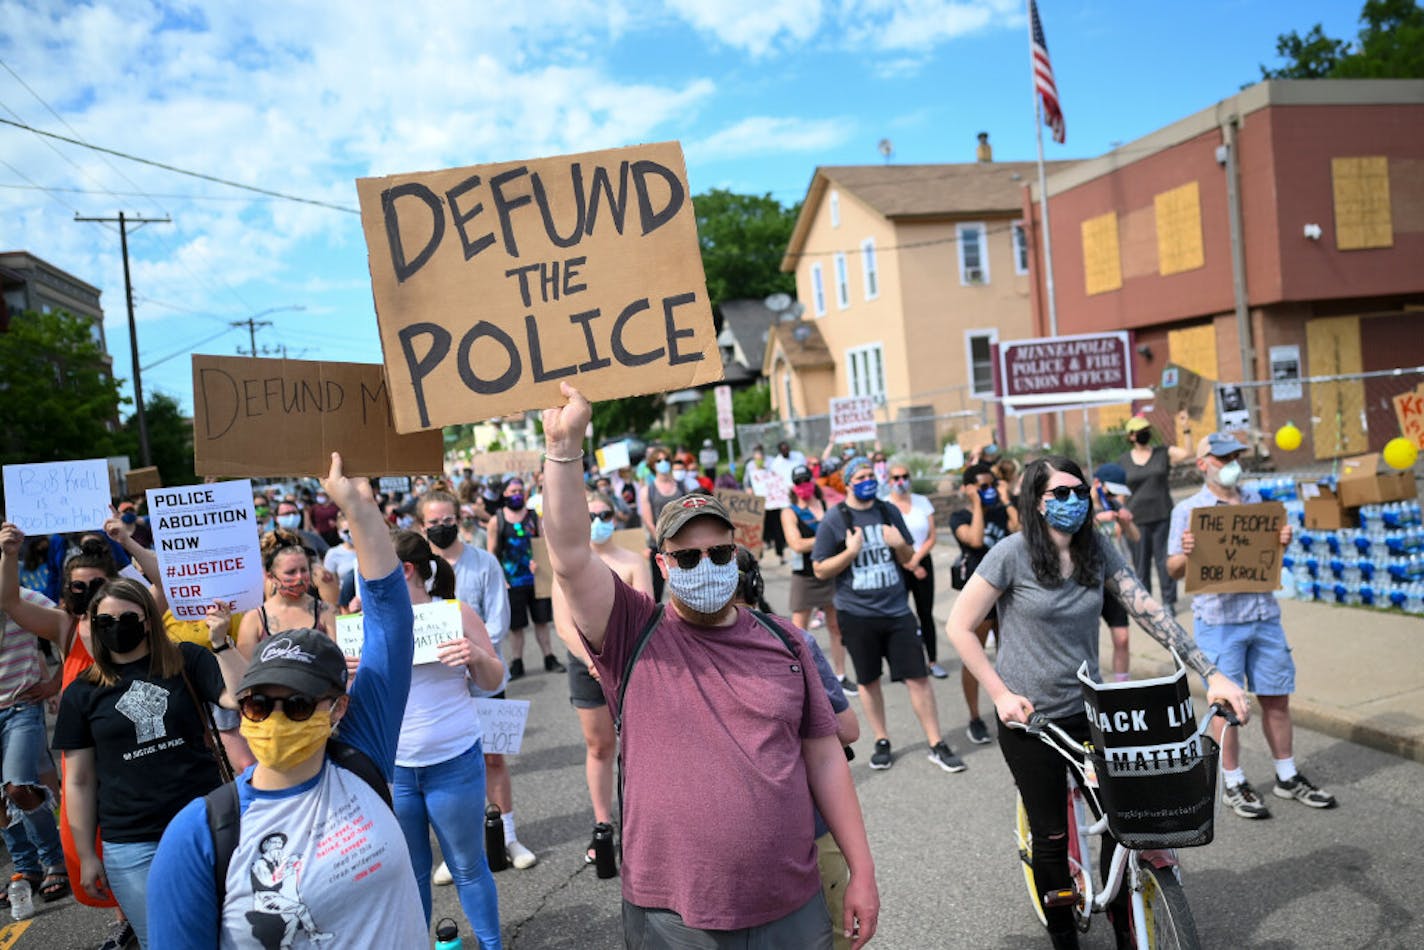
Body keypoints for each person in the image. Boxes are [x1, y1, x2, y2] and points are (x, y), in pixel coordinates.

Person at [542, 383, 879, 949]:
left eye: (719, 553)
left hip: (790, 903)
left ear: (737, 555)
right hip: (674, 916)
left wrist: (861, 872)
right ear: (662, 564)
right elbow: (572, 556)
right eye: (687, 556)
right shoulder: (632, 634)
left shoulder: (787, 642)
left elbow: (825, 758)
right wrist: (564, 448)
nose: (706, 564)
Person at [946, 455, 1248, 950]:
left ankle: (1124, 922)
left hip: (1091, 710)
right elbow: (959, 627)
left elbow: (1149, 610)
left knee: (1127, 818)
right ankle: (1064, 936)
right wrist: (1000, 695)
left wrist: (1212, 674)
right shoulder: (1010, 553)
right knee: (1050, 837)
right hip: (1030, 717)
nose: (1072, 502)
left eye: (1079, 492)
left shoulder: (1096, 551)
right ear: (1036, 502)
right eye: (1058, 494)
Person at [147, 452, 428, 949]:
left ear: (336, 709)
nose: (275, 718)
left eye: (297, 706)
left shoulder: (364, 756)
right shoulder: (198, 836)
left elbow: (392, 623)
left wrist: (359, 510)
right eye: (258, 705)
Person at [51, 575, 248, 949]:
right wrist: (87, 856)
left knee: (233, 935)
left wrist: (221, 643)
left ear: (147, 621)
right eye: (105, 622)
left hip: (205, 825)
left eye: (127, 619)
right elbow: (78, 781)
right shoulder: (82, 693)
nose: (116, 629)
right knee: (166, 942)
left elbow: (238, 698)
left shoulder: (186, 659)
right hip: (133, 844)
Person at [1168, 433, 1337, 818]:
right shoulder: (1190, 511)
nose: (1231, 463)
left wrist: (1283, 541)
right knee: (1227, 706)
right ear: (1203, 464)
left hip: (1263, 617)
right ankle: (1233, 782)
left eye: (1235, 456)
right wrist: (1188, 554)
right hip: (1218, 621)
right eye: (1222, 456)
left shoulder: (1257, 504)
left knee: (1277, 698)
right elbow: (1173, 568)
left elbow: (1267, 556)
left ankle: (1287, 774)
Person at [732, 548, 862, 950]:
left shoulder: (682, 652)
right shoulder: (792, 638)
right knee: (834, 936)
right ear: (756, 584)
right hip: (808, 828)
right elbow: (847, 729)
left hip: (735, 843)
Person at [813, 457, 965, 774]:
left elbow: (909, 557)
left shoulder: (887, 511)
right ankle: (882, 740)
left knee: (919, 678)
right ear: (850, 481)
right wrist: (850, 553)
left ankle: (936, 743)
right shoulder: (834, 519)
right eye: (863, 475)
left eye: (872, 474)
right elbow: (820, 568)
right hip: (856, 613)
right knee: (868, 681)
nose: (870, 479)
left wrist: (900, 545)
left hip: (896, 610)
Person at [390, 530, 505, 945]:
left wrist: (475, 656)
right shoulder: (369, 620)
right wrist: (349, 675)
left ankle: (492, 944)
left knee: (468, 866)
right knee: (411, 873)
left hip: (453, 762)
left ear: (404, 570)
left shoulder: (454, 612)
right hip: (397, 769)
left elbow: (494, 679)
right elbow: (354, 703)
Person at [417, 490, 536, 873]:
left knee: (493, 758)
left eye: (447, 520)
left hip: (484, 675)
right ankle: (458, 849)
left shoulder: (485, 563)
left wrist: (474, 654)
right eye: (433, 523)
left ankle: (508, 836)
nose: (441, 527)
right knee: (448, 765)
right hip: (439, 684)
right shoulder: (419, 571)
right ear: (422, 526)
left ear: (460, 519)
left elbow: (498, 623)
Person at [552, 492, 654, 865]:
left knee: (638, 745)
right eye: (590, 514)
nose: (598, 520)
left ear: (617, 516)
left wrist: (614, 658)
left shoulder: (632, 562)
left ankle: (643, 825)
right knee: (599, 746)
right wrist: (591, 660)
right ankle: (603, 824)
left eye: (605, 513)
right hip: (586, 666)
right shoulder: (569, 566)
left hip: (629, 661)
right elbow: (563, 626)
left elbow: (645, 609)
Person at [949, 463, 1019, 746]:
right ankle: (975, 717)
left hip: (1010, 595)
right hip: (980, 598)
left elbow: (1019, 530)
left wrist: (1005, 501)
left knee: (1012, 655)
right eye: (982, 486)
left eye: (991, 485)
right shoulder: (959, 516)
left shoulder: (1003, 511)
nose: (988, 490)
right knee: (974, 660)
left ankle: (1013, 706)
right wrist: (978, 503)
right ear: (968, 489)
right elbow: (975, 540)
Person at [782, 465, 855, 695]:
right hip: (805, 577)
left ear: (813, 481)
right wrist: (825, 537)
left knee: (836, 627)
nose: (804, 484)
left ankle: (841, 676)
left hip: (829, 571)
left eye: (806, 479)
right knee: (797, 632)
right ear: (794, 486)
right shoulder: (790, 512)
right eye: (799, 481)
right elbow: (796, 544)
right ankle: (800, 679)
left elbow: (842, 532)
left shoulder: (827, 506)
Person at [487, 476, 564, 679]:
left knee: (542, 621)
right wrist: (500, 579)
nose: (517, 494)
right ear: (504, 493)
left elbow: (544, 544)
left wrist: (542, 563)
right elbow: (491, 554)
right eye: (512, 491)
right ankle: (517, 662)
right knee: (516, 626)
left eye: (520, 490)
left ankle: (549, 657)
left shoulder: (533, 517)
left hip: (536, 579)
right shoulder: (497, 520)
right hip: (511, 582)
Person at [1118, 414, 1192, 616]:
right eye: (1140, 431)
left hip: (1162, 515)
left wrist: (1186, 429)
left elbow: (1187, 453)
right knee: (1140, 563)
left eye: (1146, 430)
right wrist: (1120, 520)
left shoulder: (1162, 453)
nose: (1145, 434)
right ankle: (1146, 603)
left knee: (1164, 561)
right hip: (1136, 520)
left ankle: (1169, 601)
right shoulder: (1123, 461)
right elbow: (1121, 493)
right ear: (1131, 436)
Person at [885, 462, 945, 679]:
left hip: (921, 563)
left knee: (925, 613)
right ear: (889, 481)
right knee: (898, 616)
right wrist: (908, 563)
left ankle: (932, 660)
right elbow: (888, 538)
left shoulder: (922, 502)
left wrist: (916, 560)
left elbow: (932, 536)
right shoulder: (885, 505)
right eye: (896, 477)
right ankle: (903, 665)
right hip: (897, 565)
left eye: (905, 476)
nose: (901, 481)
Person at [236, 532, 337, 659]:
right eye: (291, 572)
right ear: (271, 577)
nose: (299, 577)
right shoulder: (254, 619)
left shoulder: (326, 612)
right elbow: (245, 671)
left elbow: (339, 661)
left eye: (304, 570)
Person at [1091, 463, 1140, 682]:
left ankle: (1122, 688)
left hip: (1114, 582)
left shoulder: (1113, 505)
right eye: (1112, 491)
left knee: (1122, 638)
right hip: (1088, 582)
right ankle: (1091, 688)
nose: (1115, 496)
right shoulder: (1080, 507)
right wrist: (1095, 519)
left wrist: (1126, 522)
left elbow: (1135, 537)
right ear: (1097, 485)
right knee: (1086, 642)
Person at [637, 450, 687, 603]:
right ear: (653, 465)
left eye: (666, 459)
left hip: (682, 543)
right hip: (658, 544)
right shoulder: (647, 490)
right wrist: (663, 542)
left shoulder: (682, 487)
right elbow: (648, 521)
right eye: (659, 461)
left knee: (684, 586)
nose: (663, 463)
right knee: (657, 587)